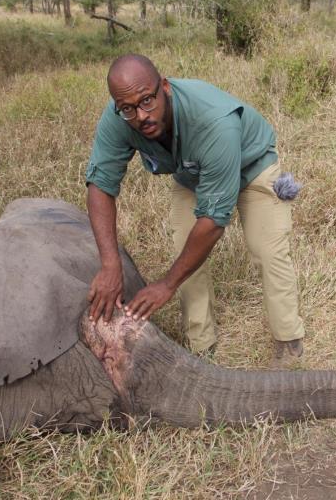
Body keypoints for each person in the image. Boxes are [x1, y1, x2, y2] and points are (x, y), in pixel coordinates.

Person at [84, 54, 305, 367]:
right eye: (129, 108)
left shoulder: (213, 121)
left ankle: (289, 343)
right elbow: (100, 185)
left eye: (148, 100)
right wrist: (110, 264)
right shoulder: (120, 117)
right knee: (184, 251)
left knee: (268, 250)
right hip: (194, 174)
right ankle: (201, 348)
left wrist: (166, 285)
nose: (141, 115)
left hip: (252, 167)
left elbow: (213, 221)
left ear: (165, 87)